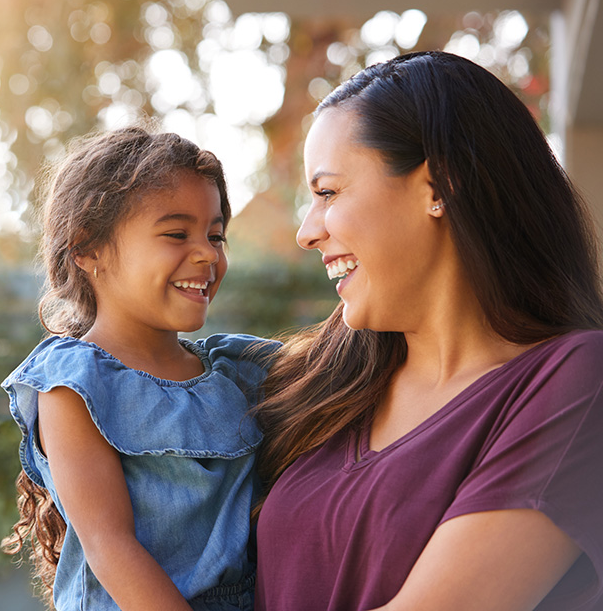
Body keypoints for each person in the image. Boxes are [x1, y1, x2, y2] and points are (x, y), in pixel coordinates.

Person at [253, 51, 603, 611]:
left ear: (439, 185)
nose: (305, 232)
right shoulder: (318, 382)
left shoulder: (577, 384)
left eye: (327, 193)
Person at [0, 126, 277, 611]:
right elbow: (112, 548)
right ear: (88, 249)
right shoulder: (73, 384)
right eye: (176, 234)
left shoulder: (239, 371)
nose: (208, 253)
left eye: (216, 235)